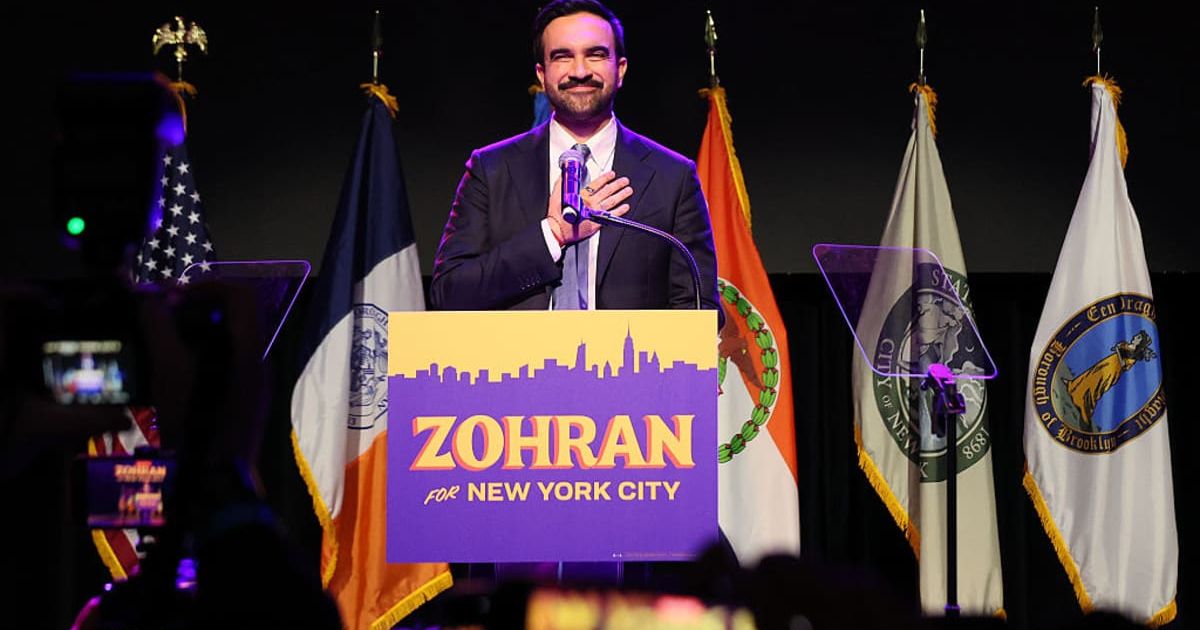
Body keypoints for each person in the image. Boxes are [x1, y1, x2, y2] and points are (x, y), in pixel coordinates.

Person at [429, 0, 719, 314]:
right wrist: (553, 233)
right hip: (521, 363)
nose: (580, 71)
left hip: (628, 361)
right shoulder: (492, 169)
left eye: (595, 54)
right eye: (562, 56)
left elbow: (699, 312)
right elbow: (450, 294)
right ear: (542, 74)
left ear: (620, 69)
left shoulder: (672, 176)